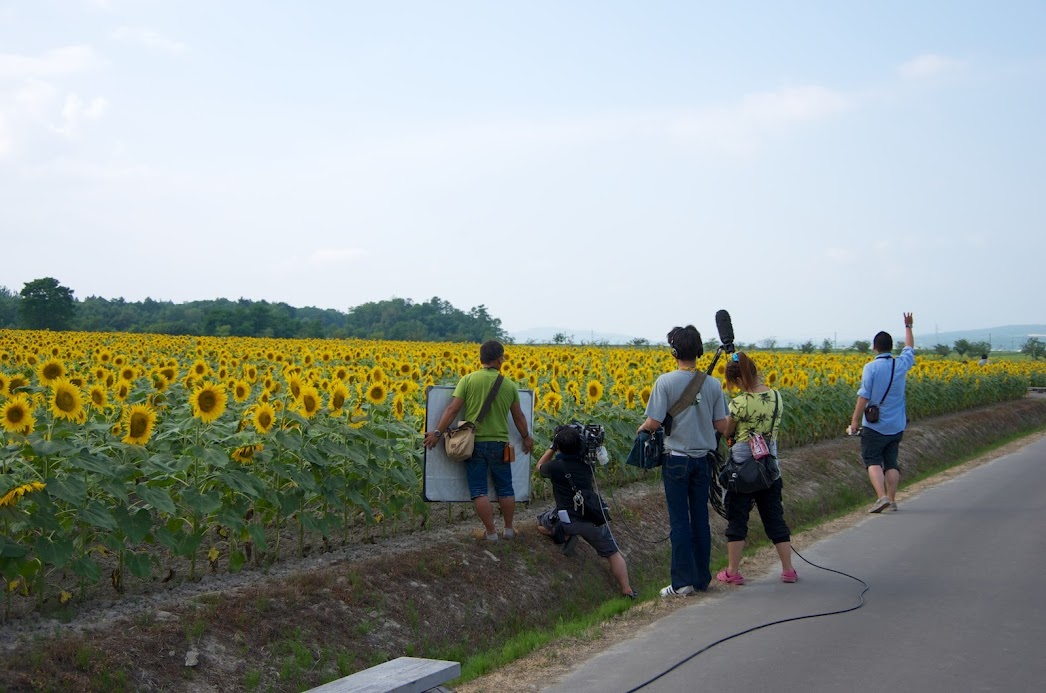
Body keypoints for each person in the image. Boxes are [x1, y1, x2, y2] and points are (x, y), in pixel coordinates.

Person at [638, 325, 728, 597]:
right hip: (703, 461)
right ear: (699, 351)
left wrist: (641, 431)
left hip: (676, 459)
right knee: (700, 518)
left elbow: (654, 421)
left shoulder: (664, 382)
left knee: (679, 521)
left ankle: (681, 583)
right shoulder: (712, 384)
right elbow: (722, 425)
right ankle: (702, 579)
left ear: (674, 351)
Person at [423, 340, 534, 540]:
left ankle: (490, 533)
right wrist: (526, 438)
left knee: (479, 490)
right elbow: (518, 416)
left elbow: (452, 409)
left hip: (473, 444)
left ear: (481, 359)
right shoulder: (508, 385)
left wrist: (437, 433)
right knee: (506, 487)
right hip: (500, 444)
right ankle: (509, 529)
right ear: (500, 360)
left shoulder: (468, 380)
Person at [717, 352, 797, 585]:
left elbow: (727, 432)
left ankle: (733, 571)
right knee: (774, 518)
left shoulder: (739, 403)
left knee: (737, 519)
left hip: (742, 471)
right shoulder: (776, 396)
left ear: (740, 380)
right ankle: (788, 570)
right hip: (769, 467)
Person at [535, 425, 638, 598]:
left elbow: (540, 466)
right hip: (592, 518)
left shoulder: (555, 467)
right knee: (613, 553)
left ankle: (562, 534)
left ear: (558, 445)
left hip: (569, 520)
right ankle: (627, 590)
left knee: (542, 522)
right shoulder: (587, 464)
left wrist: (553, 447)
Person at [849, 313, 916, 513]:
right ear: (890, 346)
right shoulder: (901, 364)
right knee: (891, 462)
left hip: (875, 426)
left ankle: (881, 497)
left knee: (872, 460)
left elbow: (864, 396)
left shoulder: (871, 367)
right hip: (897, 425)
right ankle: (893, 500)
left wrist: (854, 421)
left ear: (874, 347)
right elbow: (909, 348)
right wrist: (909, 326)